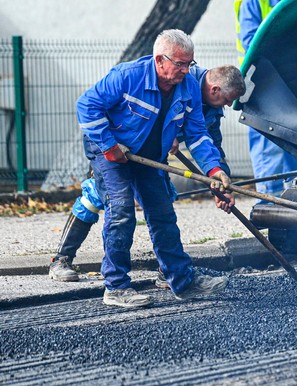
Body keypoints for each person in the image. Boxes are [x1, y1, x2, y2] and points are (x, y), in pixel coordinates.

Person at [76, 29, 236, 308]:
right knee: (122, 210)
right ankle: (116, 287)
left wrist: (214, 170)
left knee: (162, 213)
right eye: (180, 64)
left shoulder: (188, 89)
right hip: (110, 152)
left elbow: (198, 135)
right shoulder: (128, 76)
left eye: (190, 64)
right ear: (160, 60)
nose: (186, 71)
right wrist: (109, 145)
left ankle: (183, 282)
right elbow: (87, 107)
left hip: (148, 157)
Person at [50, 64, 246, 284]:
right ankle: (62, 259)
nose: (228, 105)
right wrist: (164, 131)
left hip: (153, 152)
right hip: (116, 147)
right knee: (98, 198)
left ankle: (169, 271)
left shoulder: (211, 106)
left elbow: (210, 143)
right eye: (228, 100)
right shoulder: (174, 76)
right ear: (215, 89)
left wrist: (219, 183)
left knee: (162, 201)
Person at [234, 0, 297, 196]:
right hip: (260, 83)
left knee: (296, 139)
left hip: (287, 81)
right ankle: (268, 203)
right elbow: (250, 42)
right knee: (268, 143)